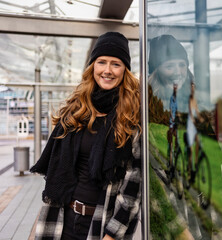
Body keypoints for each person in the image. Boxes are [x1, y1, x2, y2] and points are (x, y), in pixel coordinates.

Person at [30, 32, 141, 240]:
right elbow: (56, 173)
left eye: (116, 64)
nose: (107, 70)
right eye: (102, 62)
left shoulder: (131, 119)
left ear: (125, 70)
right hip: (63, 220)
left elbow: (132, 191)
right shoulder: (75, 112)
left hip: (102, 225)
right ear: (93, 67)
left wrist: (111, 235)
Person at [148, 34, 193, 113]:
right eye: (169, 66)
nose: (178, 72)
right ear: (155, 71)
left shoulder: (196, 99)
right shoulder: (143, 101)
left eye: (182, 65)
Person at [186, 81, 202, 182]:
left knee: (198, 143)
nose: (192, 89)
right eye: (191, 87)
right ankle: (190, 169)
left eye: (193, 87)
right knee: (190, 150)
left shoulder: (195, 100)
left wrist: (201, 118)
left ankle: (195, 164)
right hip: (190, 124)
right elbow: (190, 112)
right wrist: (192, 118)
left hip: (194, 124)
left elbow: (196, 110)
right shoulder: (188, 99)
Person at [167, 82, 178, 171]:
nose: (175, 87)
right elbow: (170, 109)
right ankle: (170, 161)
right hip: (172, 122)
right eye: (174, 86)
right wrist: (172, 117)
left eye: (176, 86)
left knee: (178, 139)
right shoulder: (172, 98)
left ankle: (176, 155)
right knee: (170, 140)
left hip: (178, 122)